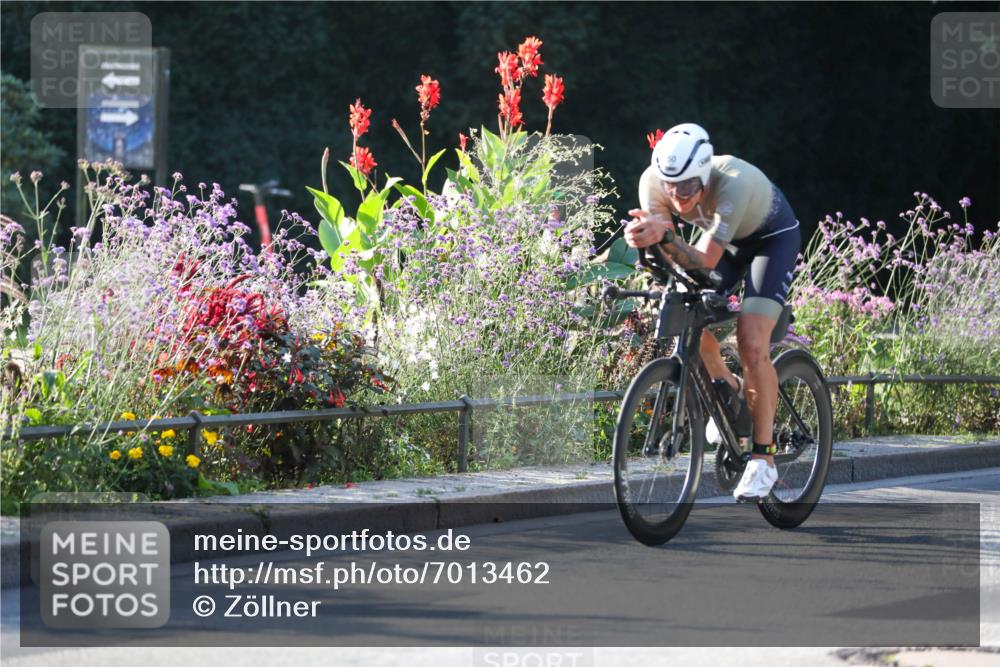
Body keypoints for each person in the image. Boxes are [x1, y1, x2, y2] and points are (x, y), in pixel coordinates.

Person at [623, 123, 801, 501]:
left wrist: (666, 236)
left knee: (752, 343)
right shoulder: (653, 183)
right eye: (670, 186)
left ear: (704, 176)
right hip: (721, 245)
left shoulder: (733, 183)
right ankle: (730, 390)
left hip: (769, 241)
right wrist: (644, 240)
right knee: (687, 315)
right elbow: (673, 258)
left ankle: (763, 459)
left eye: (687, 187)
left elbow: (703, 258)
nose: (677, 195)